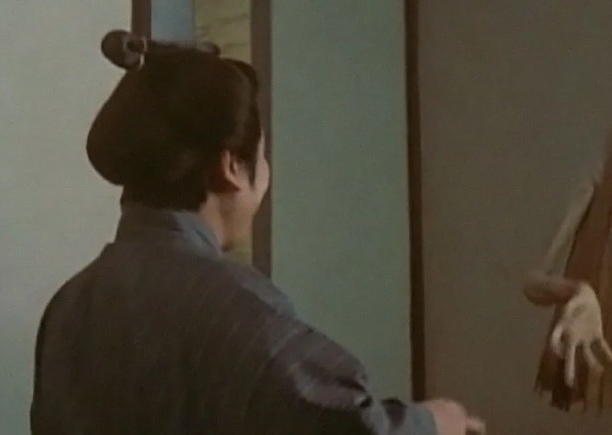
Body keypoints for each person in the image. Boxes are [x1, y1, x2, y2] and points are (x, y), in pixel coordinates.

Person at [30, 30, 483, 435]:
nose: (266, 176)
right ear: (230, 166)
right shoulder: (231, 306)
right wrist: (434, 423)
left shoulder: (70, 305)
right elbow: (346, 426)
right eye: (263, 157)